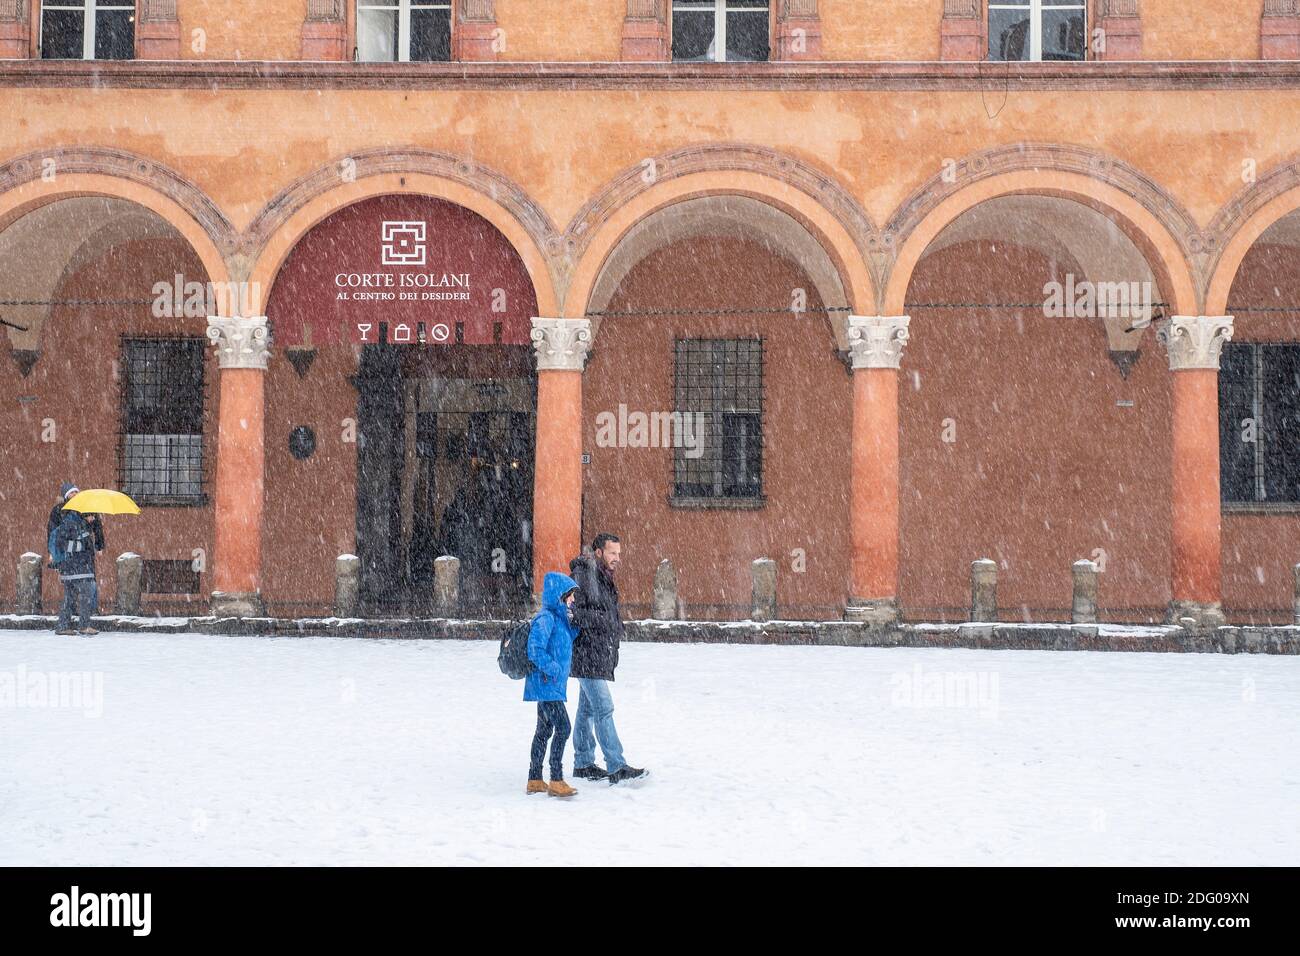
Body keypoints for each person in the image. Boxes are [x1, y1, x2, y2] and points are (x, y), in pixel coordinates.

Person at [569, 533, 647, 785]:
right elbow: (575, 613)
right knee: (604, 708)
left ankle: (583, 763)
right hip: (586, 653)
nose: (617, 558)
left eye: (619, 554)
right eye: (612, 553)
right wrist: (607, 622)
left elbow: (602, 612)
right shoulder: (585, 575)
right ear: (599, 552)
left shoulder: (601, 576)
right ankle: (616, 766)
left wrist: (614, 625)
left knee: (587, 710)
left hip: (596, 653)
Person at [524, 571, 581, 798]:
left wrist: (575, 623)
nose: (573, 600)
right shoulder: (545, 618)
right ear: (560, 596)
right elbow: (534, 650)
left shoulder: (558, 618)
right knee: (564, 728)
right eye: (570, 596)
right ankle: (556, 779)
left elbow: (564, 640)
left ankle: (535, 779)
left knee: (544, 730)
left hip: (551, 685)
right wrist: (554, 669)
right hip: (546, 684)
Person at [52, 508, 103, 636]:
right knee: (86, 595)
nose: (93, 519)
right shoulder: (71, 523)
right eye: (92, 516)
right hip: (77, 567)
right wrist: (80, 547)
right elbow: (61, 543)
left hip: (78, 568)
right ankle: (83, 625)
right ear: (86, 514)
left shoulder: (81, 524)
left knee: (70, 597)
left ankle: (63, 626)